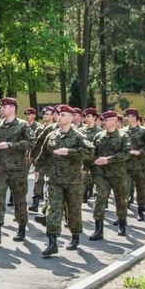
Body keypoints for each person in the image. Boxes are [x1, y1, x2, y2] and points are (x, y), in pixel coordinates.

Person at [34, 105, 94, 257]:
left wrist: (70, 152)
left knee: (73, 210)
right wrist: (37, 169)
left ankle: (75, 236)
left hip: (73, 180)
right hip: (54, 180)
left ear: (71, 118)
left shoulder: (78, 135)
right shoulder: (52, 135)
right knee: (53, 209)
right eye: (58, 115)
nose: (59, 117)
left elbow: (90, 152)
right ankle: (52, 242)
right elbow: (44, 154)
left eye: (63, 115)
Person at [0, 97, 34, 245]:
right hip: (1, 168)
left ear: (12, 108)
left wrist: (10, 144)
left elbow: (31, 142)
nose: (1, 109)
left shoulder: (23, 125)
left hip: (17, 169)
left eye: (4, 106)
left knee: (19, 199)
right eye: (0, 107)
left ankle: (21, 227)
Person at [86, 110, 131, 240]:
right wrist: (86, 168)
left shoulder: (124, 136)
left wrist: (108, 159)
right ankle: (98, 229)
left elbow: (126, 153)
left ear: (115, 122)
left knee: (120, 199)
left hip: (118, 174)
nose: (105, 122)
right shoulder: (99, 136)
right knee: (99, 198)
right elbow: (92, 153)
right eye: (104, 120)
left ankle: (122, 223)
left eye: (108, 120)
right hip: (101, 174)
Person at [123, 108, 145, 221]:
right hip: (125, 167)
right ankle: (122, 215)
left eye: (130, 116)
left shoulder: (143, 131)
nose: (127, 118)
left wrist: (141, 152)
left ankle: (140, 211)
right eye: (127, 116)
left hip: (140, 167)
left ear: (135, 117)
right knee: (124, 191)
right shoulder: (123, 131)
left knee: (141, 190)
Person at [28, 106, 56, 213]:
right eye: (44, 113)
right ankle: (35, 203)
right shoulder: (39, 128)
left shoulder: (56, 128)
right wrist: (31, 156)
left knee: (51, 182)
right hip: (41, 159)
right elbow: (35, 143)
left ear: (53, 115)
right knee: (38, 180)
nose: (44, 115)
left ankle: (48, 206)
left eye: (47, 114)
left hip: (53, 160)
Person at [79, 108, 102, 203]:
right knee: (80, 183)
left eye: (88, 116)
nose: (86, 118)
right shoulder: (80, 131)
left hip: (95, 161)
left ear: (94, 117)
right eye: (85, 116)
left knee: (98, 183)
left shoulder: (100, 132)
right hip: (83, 161)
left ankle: (99, 204)